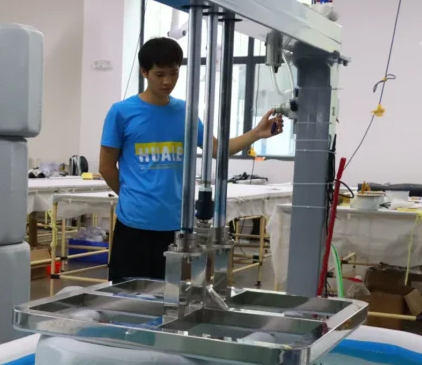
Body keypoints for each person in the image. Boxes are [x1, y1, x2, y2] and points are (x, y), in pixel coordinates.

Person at [100, 37, 285, 282]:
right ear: (145, 72)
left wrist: (255, 134)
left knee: (172, 296)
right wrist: (133, 196)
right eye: (160, 74)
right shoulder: (121, 112)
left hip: (176, 225)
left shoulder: (184, 112)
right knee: (126, 299)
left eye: (174, 73)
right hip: (135, 225)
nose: (168, 81)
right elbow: (105, 166)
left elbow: (217, 149)